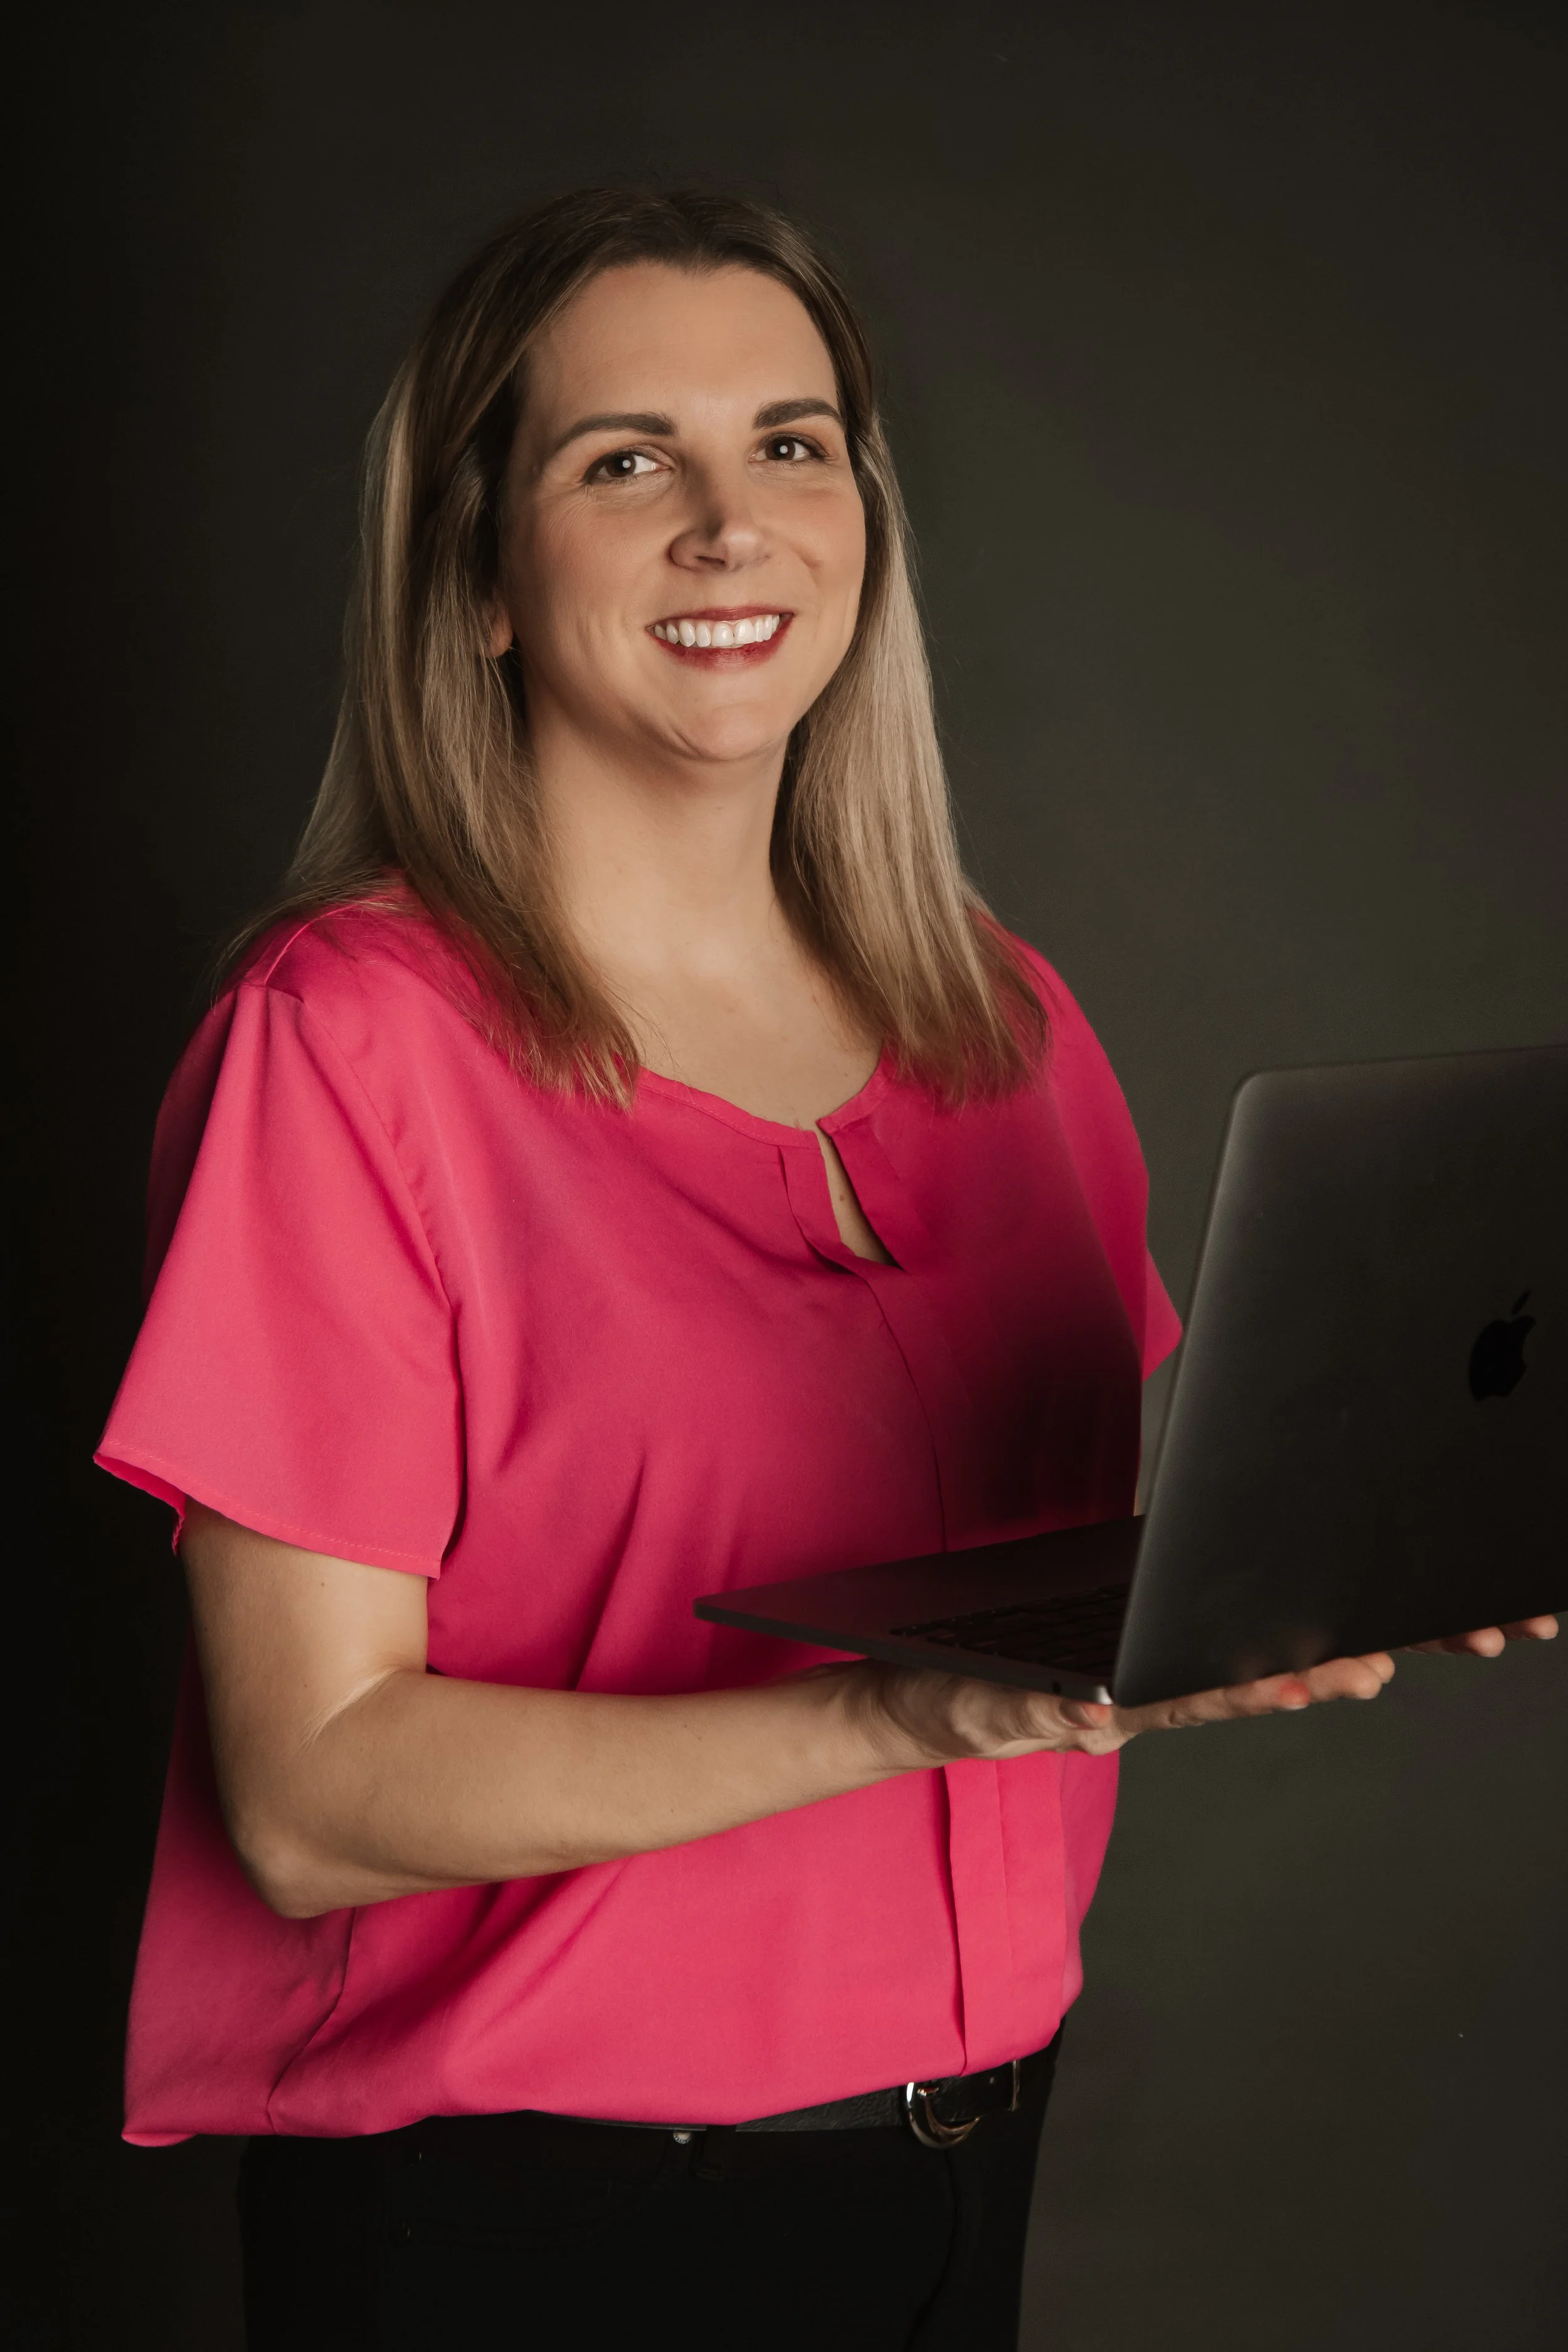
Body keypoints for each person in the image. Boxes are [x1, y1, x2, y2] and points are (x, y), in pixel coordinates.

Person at [97, 187, 1555, 2352]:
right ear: (480, 580)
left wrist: (1269, 1593)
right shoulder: (349, 1046)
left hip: (964, 2156)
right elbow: (311, 1796)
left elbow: (1011, 1577)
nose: (729, 521)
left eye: (791, 444)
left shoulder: (1005, 1025)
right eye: (626, 461)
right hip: (537, 2224)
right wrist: (890, 1717)